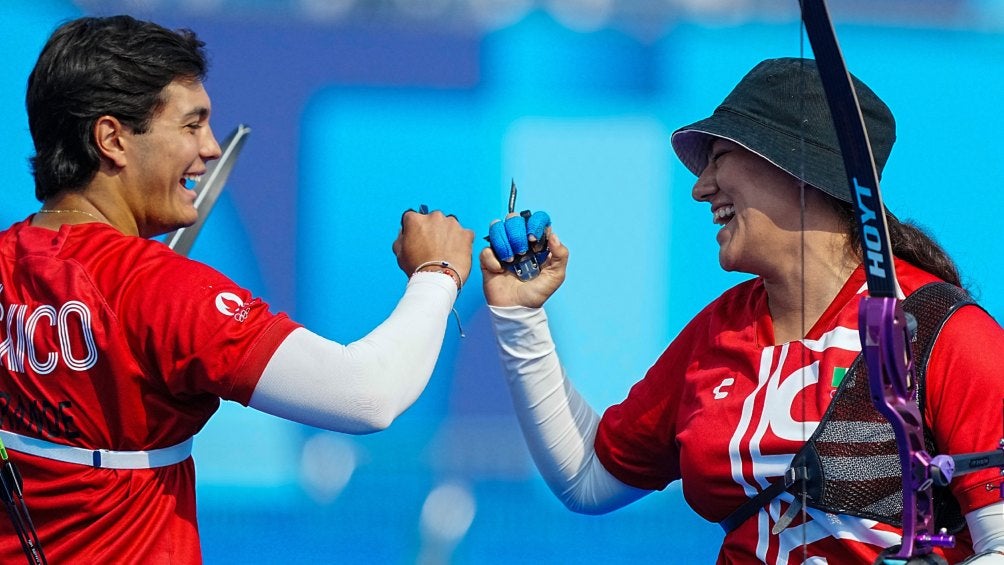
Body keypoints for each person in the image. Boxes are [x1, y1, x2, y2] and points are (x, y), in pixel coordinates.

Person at [482, 57, 1004, 563]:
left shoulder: (944, 334)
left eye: (719, 158)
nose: (699, 186)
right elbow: (588, 476)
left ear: (795, 166)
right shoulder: (720, 330)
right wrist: (520, 316)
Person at [0, 14, 474, 563]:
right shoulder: (157, 290)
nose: (209, 148)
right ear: (112, 139)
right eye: (191, 125)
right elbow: (368, 395)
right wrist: (437, 273)